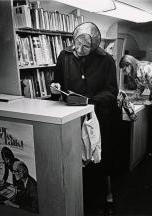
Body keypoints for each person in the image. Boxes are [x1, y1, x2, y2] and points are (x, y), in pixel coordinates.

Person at [50, 22, 122, 215]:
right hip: (71, 115)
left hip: (98, 116)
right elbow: (57, 81)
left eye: (85, 46)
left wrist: (91, 101)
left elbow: (111, 91)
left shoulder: (106, 60)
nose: (79, 50)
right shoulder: (64, 56)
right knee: (75, 158)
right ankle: (79, 198)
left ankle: (107, 194)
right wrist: (54, 87)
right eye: (77, 44)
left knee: (100, 158)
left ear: (95, 45)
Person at [119, 54, 152, 155]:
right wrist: (132, 98)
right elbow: (140, 87)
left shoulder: (146, 69)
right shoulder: (137, 71)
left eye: (125, 70)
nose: (125, 73)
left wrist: (151, 101)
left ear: (129, 65)